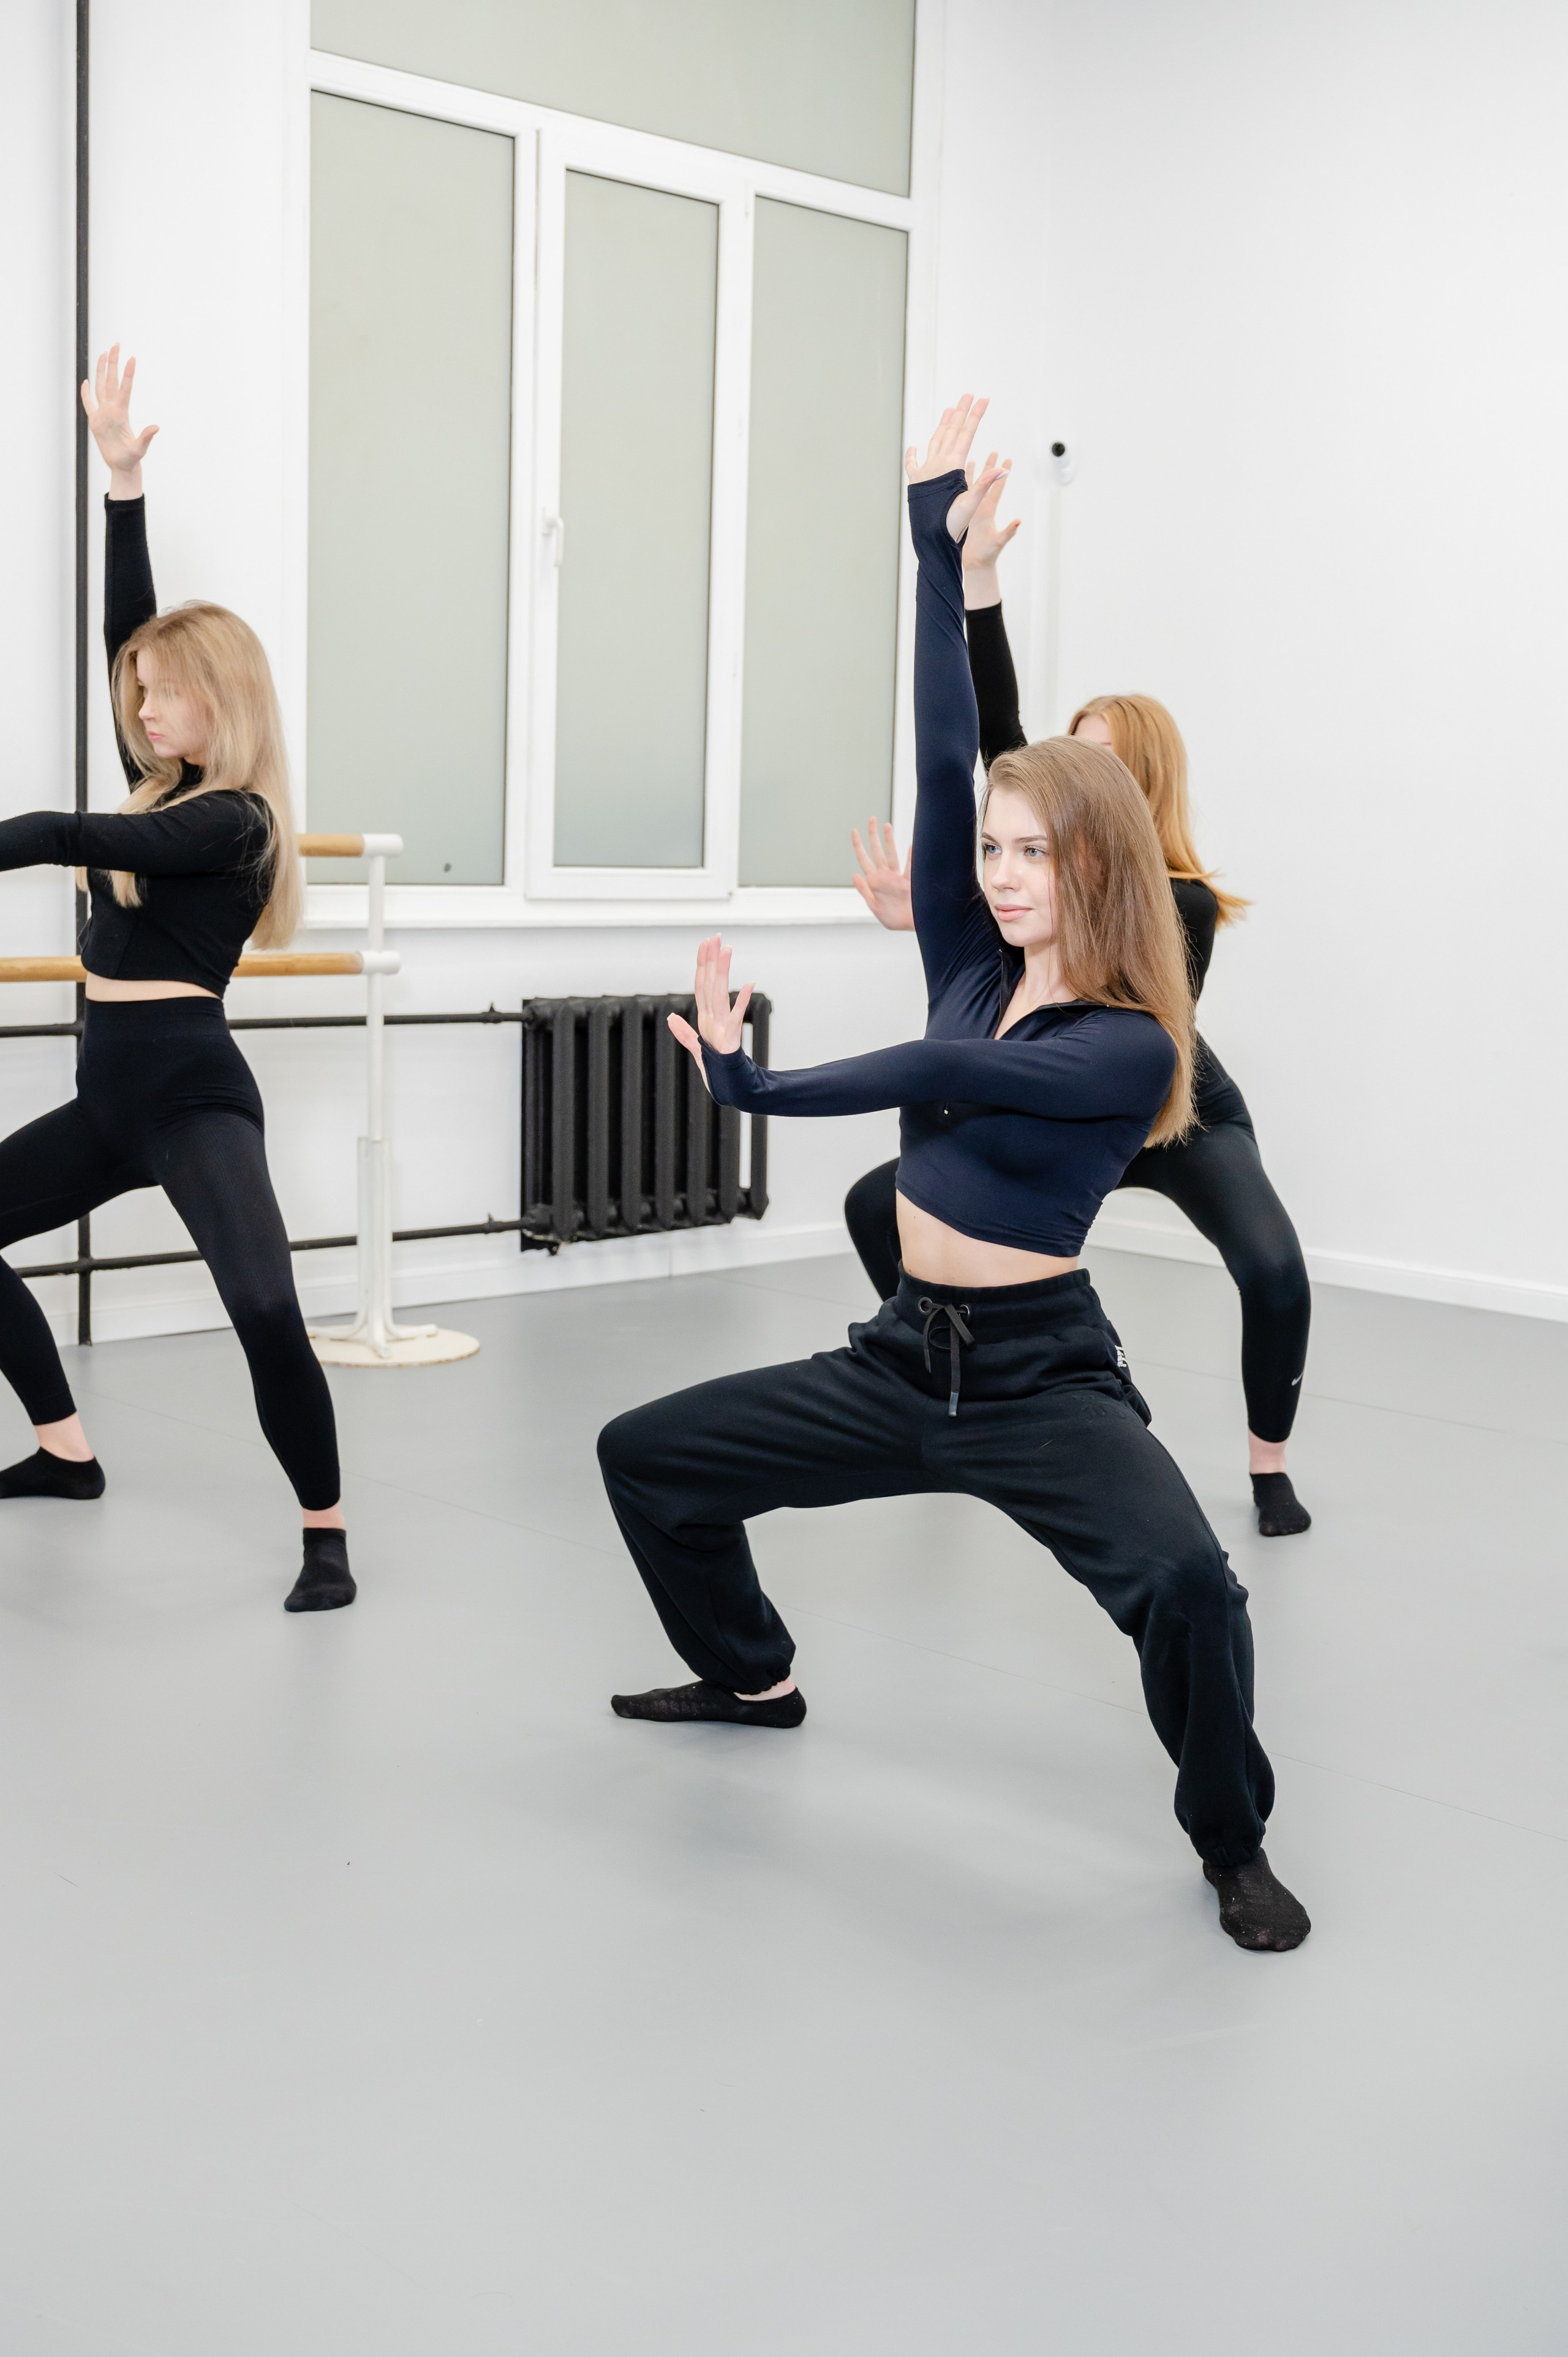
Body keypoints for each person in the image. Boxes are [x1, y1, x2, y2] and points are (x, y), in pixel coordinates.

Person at [597, 398, 1310, 1952]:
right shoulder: (968, 953)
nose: (995, 874)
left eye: (1029, 855)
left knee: (1190, 1591)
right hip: (899, 1352)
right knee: (644, 1456)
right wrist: (931, 554)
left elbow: (939, 1075)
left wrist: (753, 1084)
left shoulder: (1127, 1046)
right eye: (988, 850)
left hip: (1042, 1379)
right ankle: (752, 1675)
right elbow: (943, 741)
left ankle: (1229, 1837)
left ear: (1098, 869)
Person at [847, 464, 1313, 1538]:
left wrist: (947, 922)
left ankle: (1270, 1466)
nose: (1071, 777)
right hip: (1052, 1090)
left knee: (1274, 1266)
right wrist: (978, 587)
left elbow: (1107, 999)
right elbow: (1001, 740)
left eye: (1098, 763)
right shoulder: (1042, 858)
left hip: (1165, 1105)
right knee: (882, 1202)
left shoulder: (1181, 905)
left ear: (1141, 784)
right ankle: (936, 1367)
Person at [0, 346, 353, 1613]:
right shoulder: (159, 774)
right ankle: (64, 1449)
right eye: (137, 698)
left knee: (264, 1307)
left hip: (195, 1100)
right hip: (108, 1097)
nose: (142, 710)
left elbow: (61, 831)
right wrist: (121, 484)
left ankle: (325, 1532)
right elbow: (121, 638)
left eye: (165, 697)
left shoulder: (235, 822)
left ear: (222, 702)